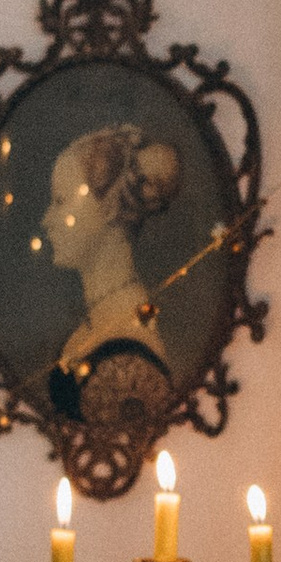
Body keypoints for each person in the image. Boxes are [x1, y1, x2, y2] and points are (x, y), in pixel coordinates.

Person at [37, 124, 182, 391]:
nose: (47, 220)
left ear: (109, 208)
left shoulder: (131, 339)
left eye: (60, 201)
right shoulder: (101, 317)